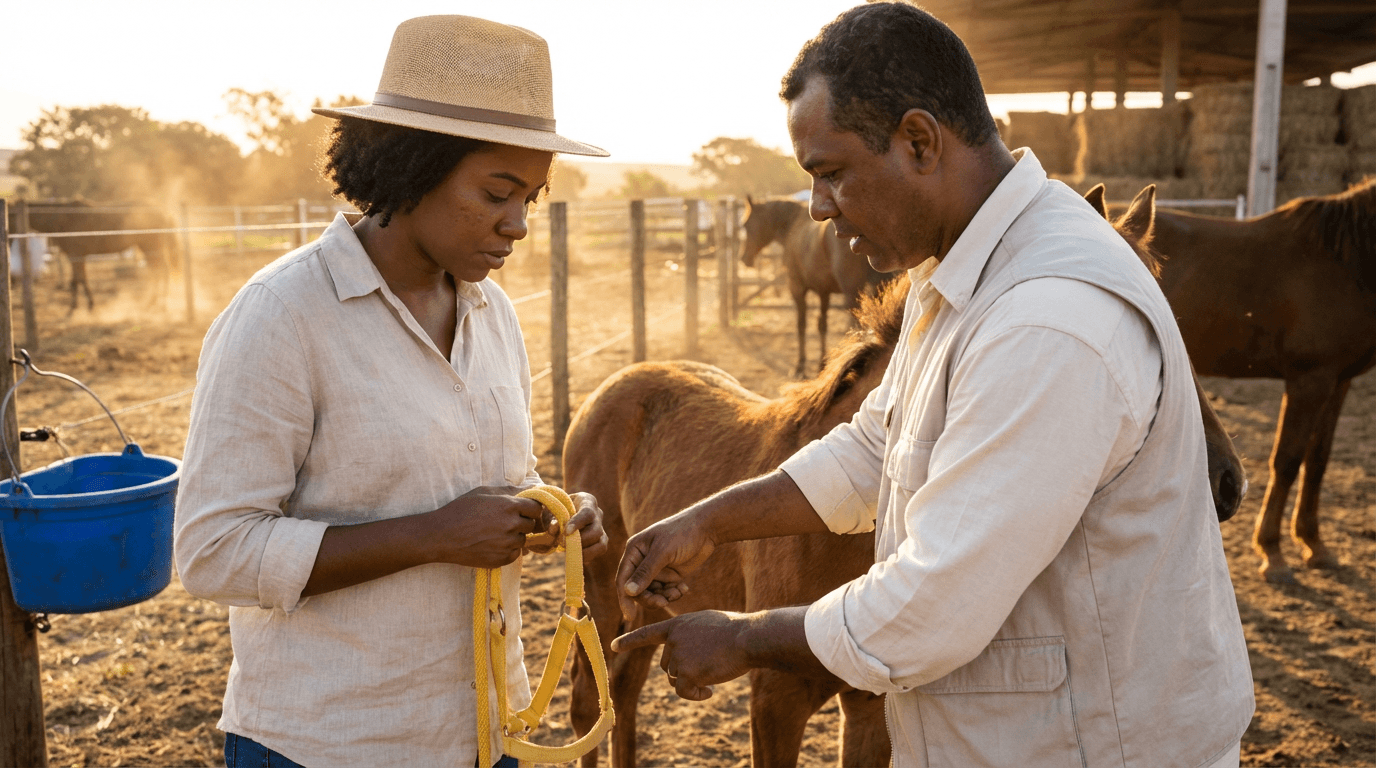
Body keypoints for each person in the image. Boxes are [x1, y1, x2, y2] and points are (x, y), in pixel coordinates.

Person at [610, 5, 1254, 767]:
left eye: (831, 173)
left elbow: (933, 608)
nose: (816, 207)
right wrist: (710, 522)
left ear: (919, 141)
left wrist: (744, 639)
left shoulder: (1046, 321)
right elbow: (877, 444)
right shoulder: (960, 268)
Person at [173, 16, 610, 768]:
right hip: (331, 744)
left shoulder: (491, 312)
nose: (518, 225)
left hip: (487, 729)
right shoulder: (282, 316)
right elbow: (213, 552)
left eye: (532, 199)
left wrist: (544, 512)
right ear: (411, 169)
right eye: (497, 193)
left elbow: (489, 479)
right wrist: (430, 536)